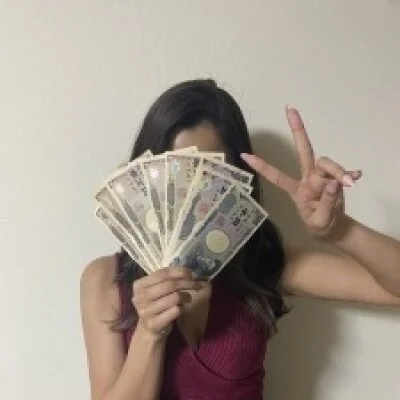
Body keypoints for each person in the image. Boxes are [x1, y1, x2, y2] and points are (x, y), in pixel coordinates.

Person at [80, 79, 400, 400]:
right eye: (176, 174)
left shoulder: (260, 261)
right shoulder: (105, 280)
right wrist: (149, 334)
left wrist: (340, 232)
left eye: (209, 175)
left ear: (235, 181)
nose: (191, 196)